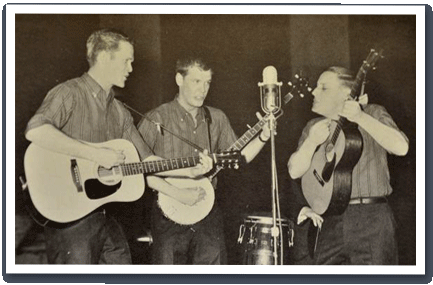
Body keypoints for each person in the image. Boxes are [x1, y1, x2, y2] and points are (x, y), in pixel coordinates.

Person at [24, 29, 213, 264]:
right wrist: (95, 154)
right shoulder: (69, 93)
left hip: (104, 215)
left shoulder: (120, 111)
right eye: (126, 61)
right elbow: (36, 130)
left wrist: (189, 170)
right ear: (104, 58)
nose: (131, 69)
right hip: (69, 217)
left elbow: (147, 162)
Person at [137, 57, 271, 264]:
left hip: (207, 210)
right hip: (167, 213)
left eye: (207, 82)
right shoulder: (155, 118)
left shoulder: (216, 118)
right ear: (179, 79)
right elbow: (139, 172)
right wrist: (179, 193)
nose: (203, 89)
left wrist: (263, 137)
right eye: (196, 81)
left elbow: (239, 158)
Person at [287, 66, 409, 265]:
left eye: (323, 87)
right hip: (329, 219)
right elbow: (294, 170)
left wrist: (360, 117)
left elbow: (401, 147)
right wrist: (311, 142)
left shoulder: (373, 112)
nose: (314, 92)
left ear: (346, 93)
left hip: (371, 218)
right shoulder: (313, 126)